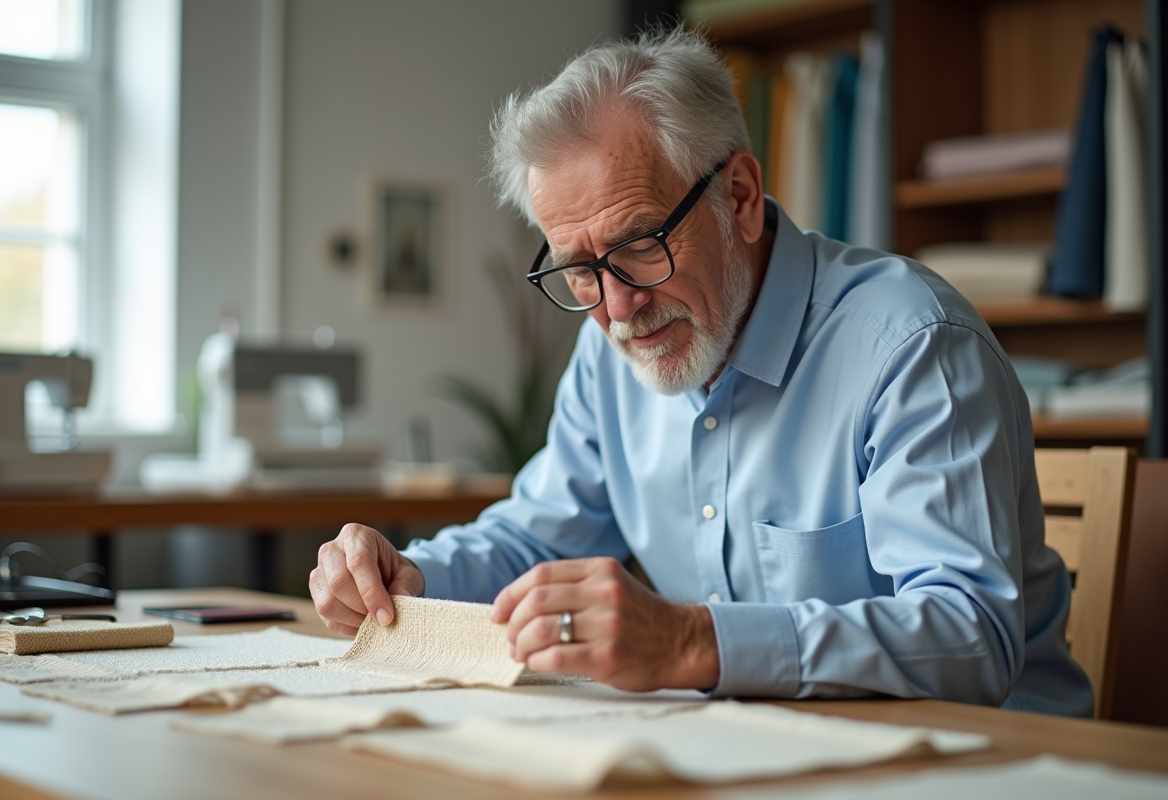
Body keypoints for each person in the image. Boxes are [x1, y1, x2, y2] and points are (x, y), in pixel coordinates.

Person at [309, 28, 1093, 717]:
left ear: (742, 197)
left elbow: (969, 639)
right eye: (579, 270)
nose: (617, 309)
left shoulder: (912, 346)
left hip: (987, 762)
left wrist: (692, 642)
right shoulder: (611, 353)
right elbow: (532, 541)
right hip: (754, 750)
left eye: (641, 244)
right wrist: (408, 577)